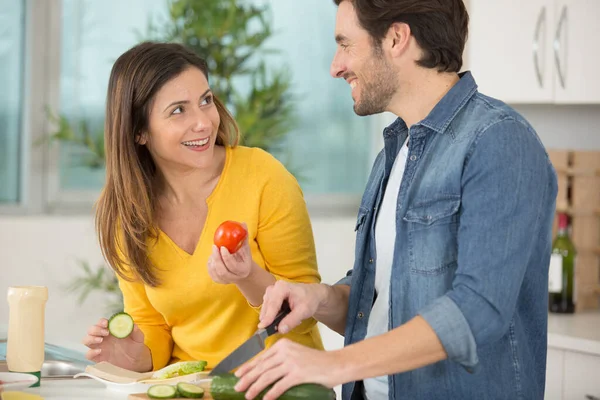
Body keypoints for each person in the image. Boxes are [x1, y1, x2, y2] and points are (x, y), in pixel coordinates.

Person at [234, 1, 558, 399]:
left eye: (346, 45)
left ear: (396, 38)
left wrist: (334, 363)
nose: (335, 66)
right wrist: (318, 298)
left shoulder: (498, 140)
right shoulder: (394, 151)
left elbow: (478, 311)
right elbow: (381, 301)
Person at [81, 41, 323, 373]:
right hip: (190, 389)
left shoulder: (263, 179)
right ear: (139, 132)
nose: (204, 123)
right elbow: (152, 327)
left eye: (205, 101)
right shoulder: (128, 216)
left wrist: (247, 276)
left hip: (282, 384)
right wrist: (133, 356)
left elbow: (306, 310)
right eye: (178, 110)